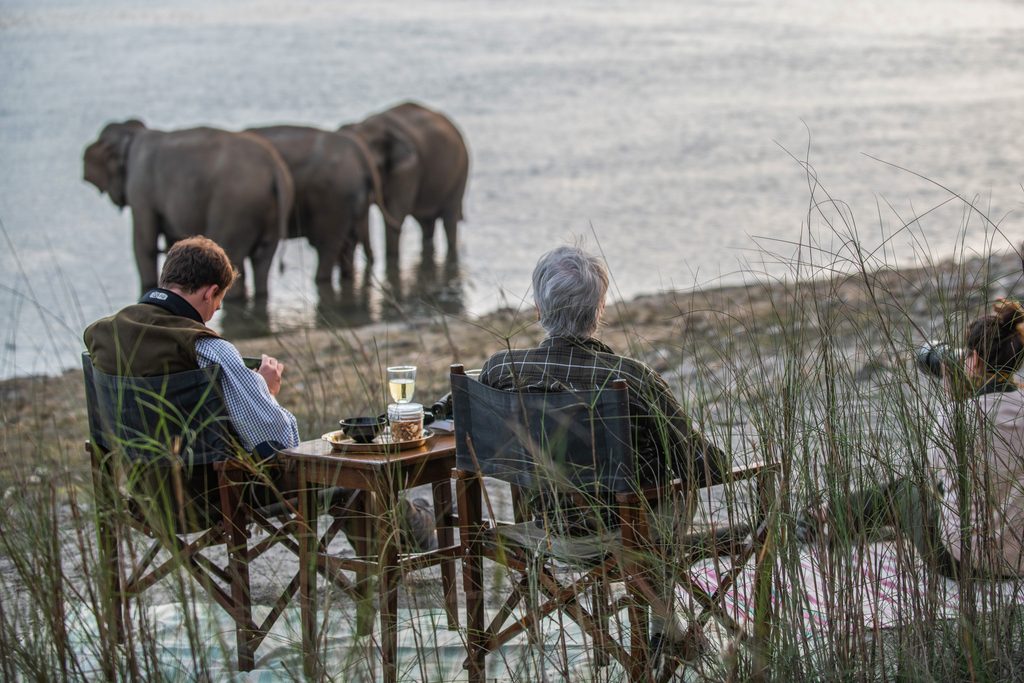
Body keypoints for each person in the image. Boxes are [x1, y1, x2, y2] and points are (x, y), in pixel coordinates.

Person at [85, 236, 434, 548]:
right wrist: (264, 390)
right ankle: (409, 540)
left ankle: (407, 531)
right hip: (216, 499)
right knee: (349, 472)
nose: (214, 313)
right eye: (217, 303)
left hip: (147, 499)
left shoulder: (104, 337)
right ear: (208, 292)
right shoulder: (208, 349)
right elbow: (281, 442)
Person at [479, 244, 726, 654]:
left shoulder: (501, 370)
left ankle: (665, 627)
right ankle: (665, 627)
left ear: (539, 310)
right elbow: (704, 467)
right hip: (626, 539)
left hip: (546, 533)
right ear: (599, 310)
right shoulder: (631, 378)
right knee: (670, 494)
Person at [800, 299, 1024, 579]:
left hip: (964, 563)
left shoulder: (956, 417)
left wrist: (953, 398)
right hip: (1020, 565)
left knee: (904, 491)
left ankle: (824, 516)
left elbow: (939, 479)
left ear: (975, 360)